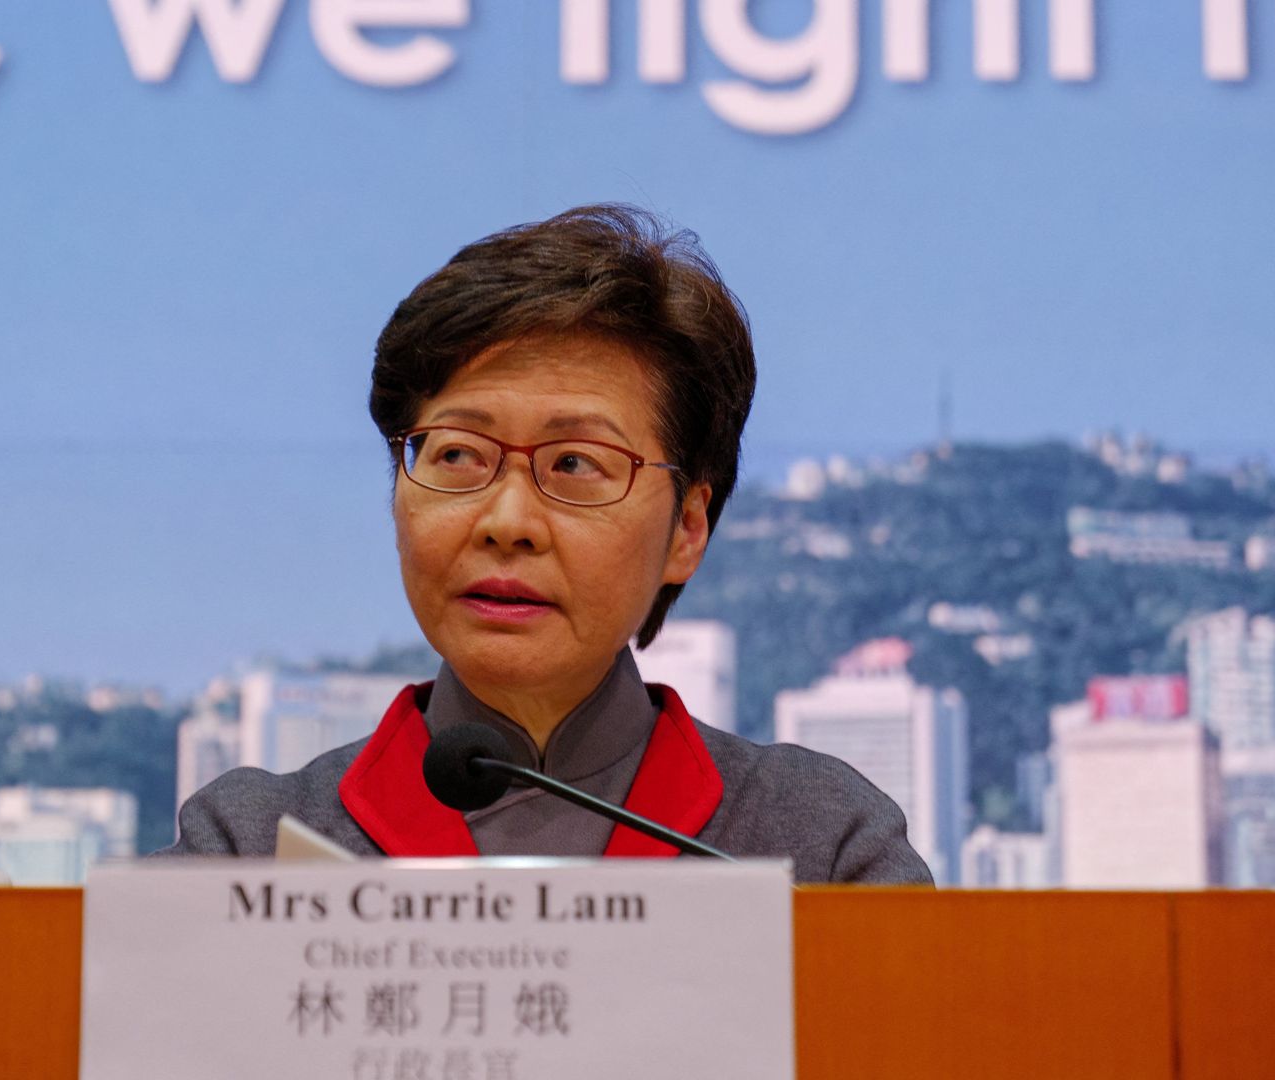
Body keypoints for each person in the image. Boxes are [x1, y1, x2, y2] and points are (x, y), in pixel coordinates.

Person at [160, 205, 932, 885]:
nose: (508, 520)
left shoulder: (818, 851)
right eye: (457, 453)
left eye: (574, 464)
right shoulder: (248, 850)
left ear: (687, 530)